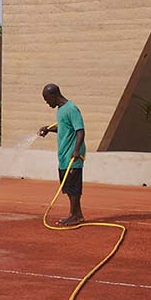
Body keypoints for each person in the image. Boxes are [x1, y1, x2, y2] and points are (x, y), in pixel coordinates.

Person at [38, 83, 86, 226]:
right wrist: (48, 129)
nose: (47, 103)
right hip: (64, 155)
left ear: (54, 95)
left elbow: (80, 130)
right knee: (68, 185)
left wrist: (76, 150)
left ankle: (74, 215)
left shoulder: (71, 109)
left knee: (73, 185)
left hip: (73, 155)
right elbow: (64, 128)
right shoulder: (61, 110)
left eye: (47, 99)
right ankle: (78, 214)